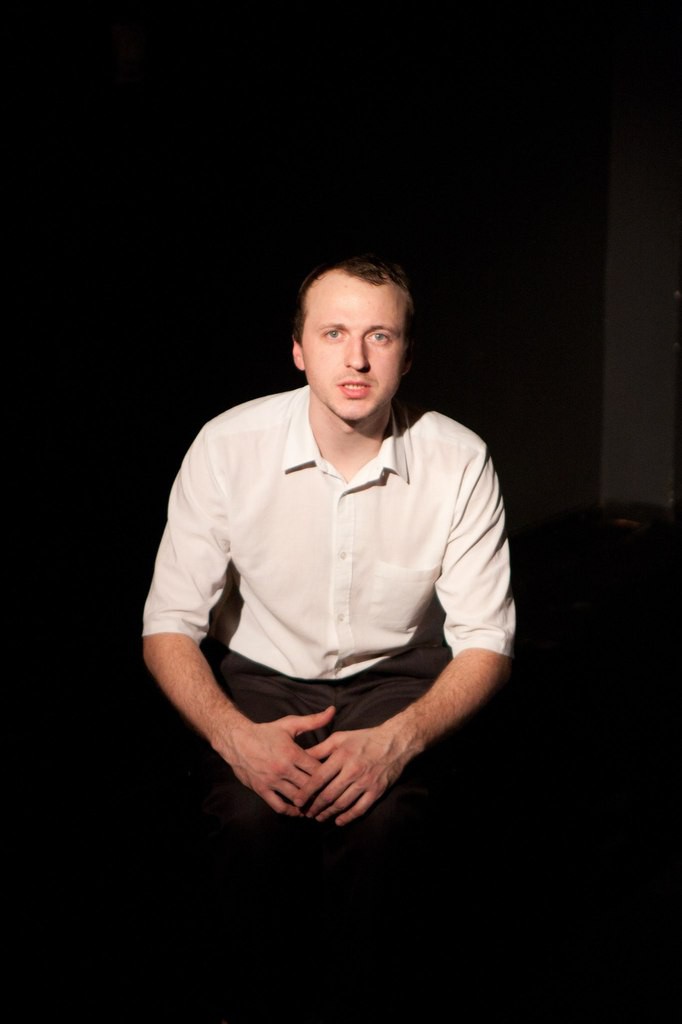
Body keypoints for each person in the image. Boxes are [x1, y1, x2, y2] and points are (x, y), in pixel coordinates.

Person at [142, 253, 516, 1023]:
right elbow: (168, 623)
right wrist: (234, 736)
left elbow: (487, 640)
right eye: (334, 333)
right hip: (262, 675)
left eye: (380, 336)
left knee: (387, 833)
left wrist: (399, 740)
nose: (356, 359)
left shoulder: (458, 459)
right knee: (245, 825)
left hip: (397, 677)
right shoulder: (228, 445)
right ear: (298, 349)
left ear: (407, 354)